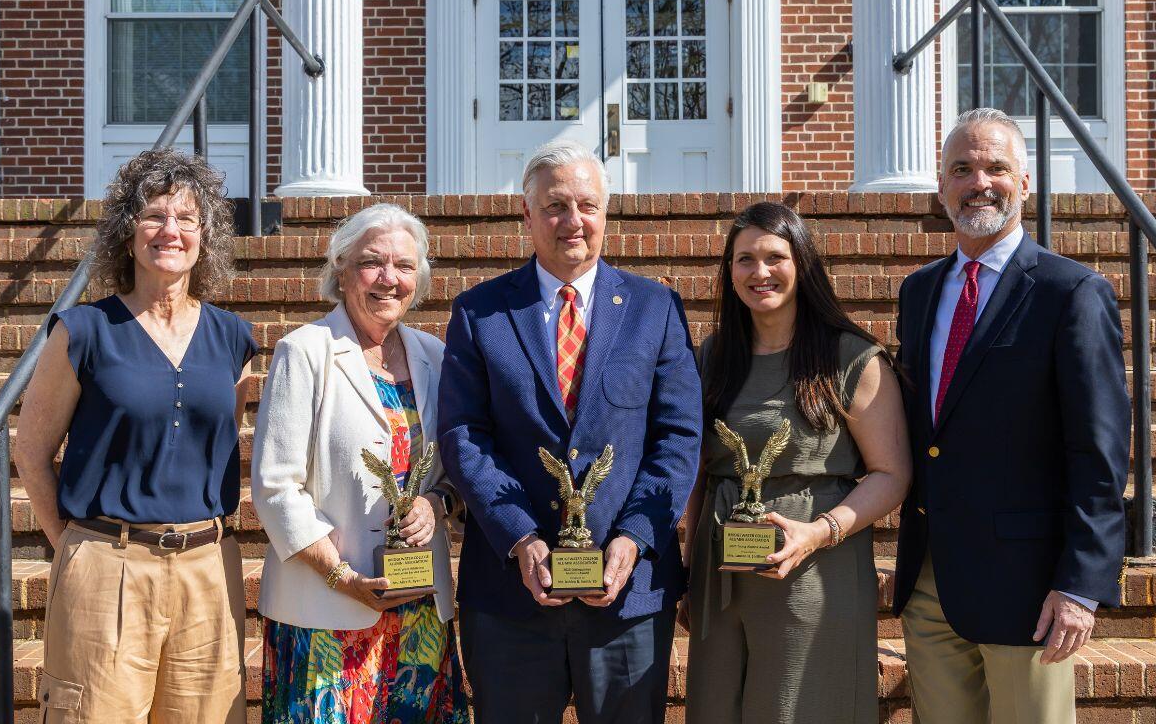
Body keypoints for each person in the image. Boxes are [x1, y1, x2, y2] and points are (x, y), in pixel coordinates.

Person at [438, 139, 701, 724]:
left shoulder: (655, 307)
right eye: (556, 206)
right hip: (510, 594)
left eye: (588, 204)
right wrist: (520, 538)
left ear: (606, 213)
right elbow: (463, 435)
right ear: (526, 216)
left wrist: (633, 537)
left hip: (627, 594)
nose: (573, 221)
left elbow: (678, 438)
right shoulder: (479, 312)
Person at [892, 108, 1130, 724]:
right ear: (941, 187)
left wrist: (1081, 584)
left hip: (1030, 589)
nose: (980, 182)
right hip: (931, 582)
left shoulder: (1069, 292)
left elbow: (1098, 451)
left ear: (1025, 183)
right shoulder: (919, 292)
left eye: (997, 167)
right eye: (962, 169)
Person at [14, 148, 255, 723]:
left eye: (187, 219)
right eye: (153, 215)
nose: (170, 230)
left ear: (205, 236)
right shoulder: (84, 331)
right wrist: (74, 545)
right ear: (127, 235)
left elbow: (225, 451)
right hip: (107, 565)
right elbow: (30, 450)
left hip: (206, 567)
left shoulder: (234, 340)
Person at [681, 201, 911, 723]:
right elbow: (698, 472)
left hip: (814, 568)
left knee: (799, 709)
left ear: (801, 264)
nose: (759, 272)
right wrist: (689, 569)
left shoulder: (851, 358)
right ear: (729, 272)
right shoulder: (712, 358)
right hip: (722, 572)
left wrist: (819, 532)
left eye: (774, 257)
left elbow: (891, 474)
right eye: (744, 260)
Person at [252, 203, 469, 723]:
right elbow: (275, 486)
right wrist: (341, 576)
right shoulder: (305, 351)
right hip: (327, 608)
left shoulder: (434, 357)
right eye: (373, 262)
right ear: (341, 270)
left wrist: (436, 504)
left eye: (404, 266)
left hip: (418, 608)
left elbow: (452, 468)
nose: (388, 279)